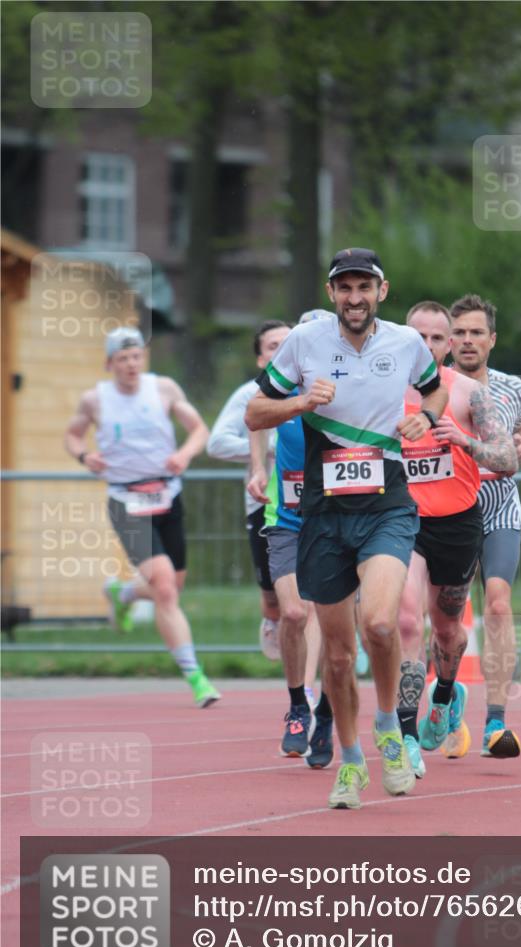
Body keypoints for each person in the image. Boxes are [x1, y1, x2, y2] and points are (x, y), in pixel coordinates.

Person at [246, 247, 449, 809]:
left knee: (382, 625)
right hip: (324, 516)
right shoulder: (304, 344)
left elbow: (436, 388)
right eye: (345, 288)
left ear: (382, 291)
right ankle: (352, 763)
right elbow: (254, 413)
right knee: (337, 656)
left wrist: (425, 418)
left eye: (365, 287)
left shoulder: (405, 344)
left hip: (387, 506)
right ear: (332, 293)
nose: (354, 298)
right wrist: (298, 403)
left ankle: (389, 727)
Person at [64, 326, 220, 708]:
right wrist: (85, 456)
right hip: (125, 500)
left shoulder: (163, 389)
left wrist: (184, 455)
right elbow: (72, 435)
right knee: (165, 586)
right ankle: (196, 677)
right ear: (109, 363)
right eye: (123, 358)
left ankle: (123, 592)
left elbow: (199, 429)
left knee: (172, 587)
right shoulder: (95, 400)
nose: (131, 364)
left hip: (167, 495)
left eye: (136, 357)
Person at [398, 302, 518, 778]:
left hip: (457, 522)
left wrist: (466, 442)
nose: (426, 347)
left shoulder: (468, 392)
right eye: (417, 339)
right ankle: (405, 735)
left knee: (446, 629)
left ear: (449, 346)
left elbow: (507, 457)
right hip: (402, 522)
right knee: (407, 620)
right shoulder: (382, 393)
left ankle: (446, 693)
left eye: (436, 339)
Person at [448, 293, 521, 757]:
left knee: (498, 605)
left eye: (475, 332)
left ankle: (496, 722)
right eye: (459, 332)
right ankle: (445, 695)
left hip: (499, 502)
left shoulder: (509, 385)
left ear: (492, 339)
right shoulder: (433, 388)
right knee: (446, 619)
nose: (467, 340)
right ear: (447, 340)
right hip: (449, 507)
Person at [247, 368, 333, 767]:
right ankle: (299, 705)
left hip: (338, 521)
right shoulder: (286, 394)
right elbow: (254, 416)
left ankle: (328, 716)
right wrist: (258, 467)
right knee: (295, 612)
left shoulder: (346, 393)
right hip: (287, 520)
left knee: (337, 625)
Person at [207, 320, 291, 661]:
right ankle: (272, 618)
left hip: (308, 501)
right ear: (260, 359)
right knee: (272, 593)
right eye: (273, 346)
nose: (282, 350)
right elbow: (216, 443)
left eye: (288, 343)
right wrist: (271, 447)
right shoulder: (249, 394)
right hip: (264, 502)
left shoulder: (313, 388)